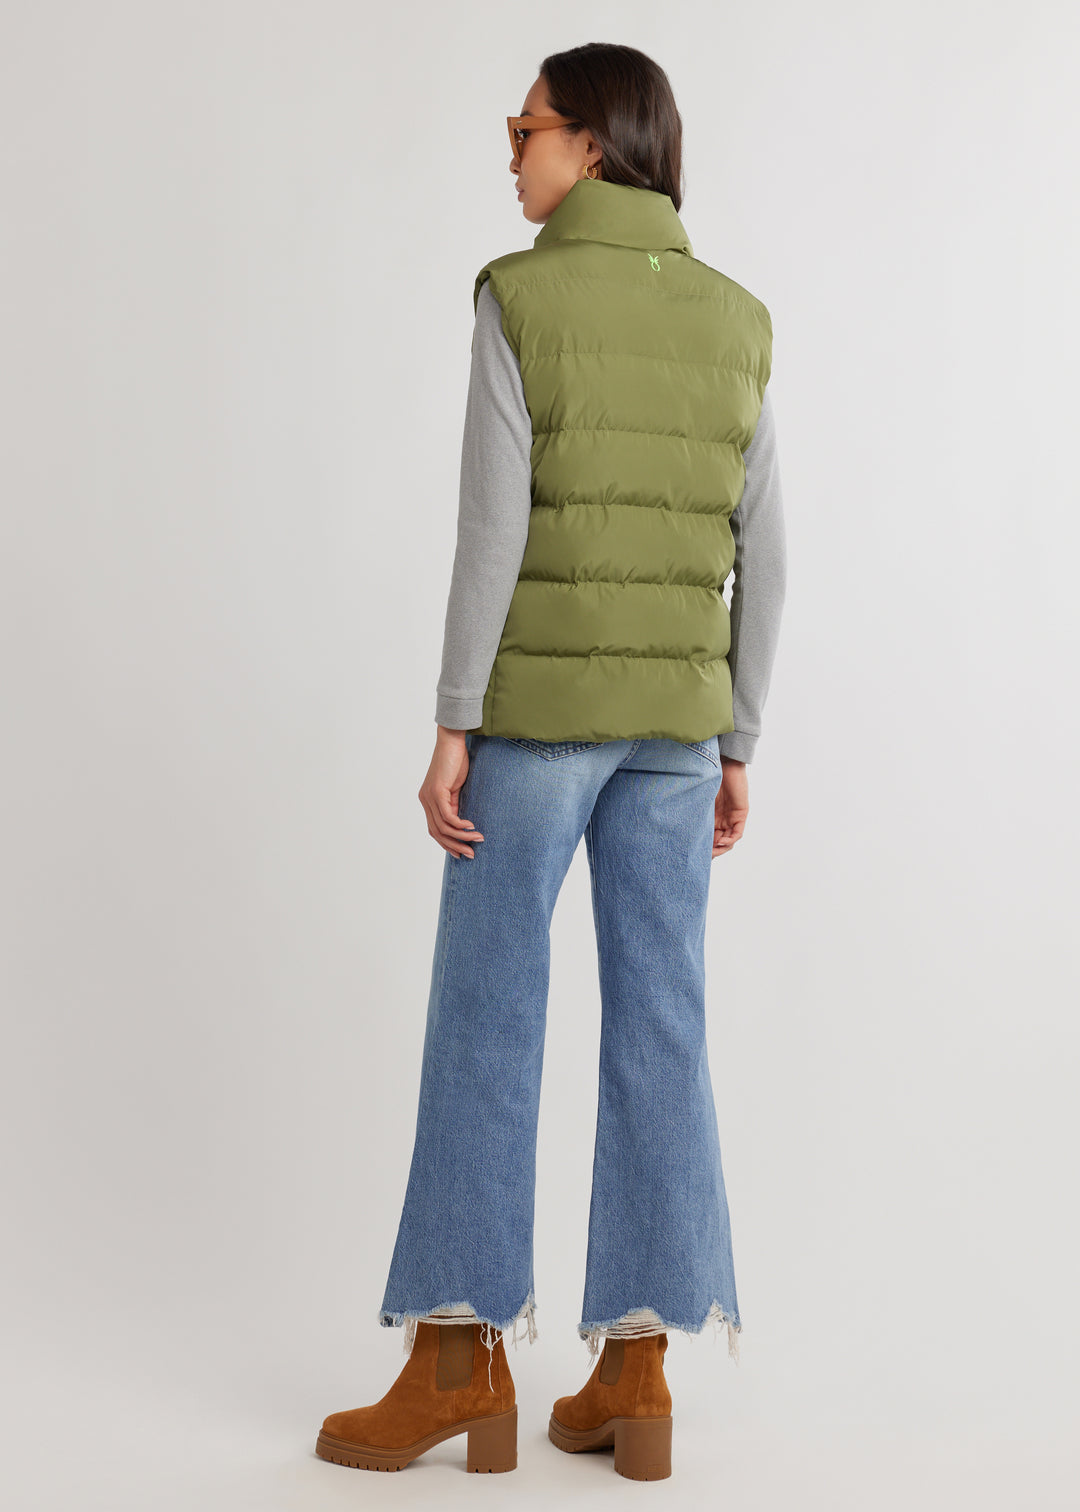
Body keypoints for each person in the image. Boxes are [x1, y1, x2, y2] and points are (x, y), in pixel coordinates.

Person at [315, 42, 786, 1482]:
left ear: (589, 145)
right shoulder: (738, 318)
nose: (509, 151)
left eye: (522, 128)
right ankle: (636, 1372)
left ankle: (458, 1361)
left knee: (488, 1014)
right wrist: (737, 736)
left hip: (533, 724)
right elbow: (768, 550)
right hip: (677, 729)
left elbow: (492, 527)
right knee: (662, 1021)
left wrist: (453, 718)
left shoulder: (518, 296)